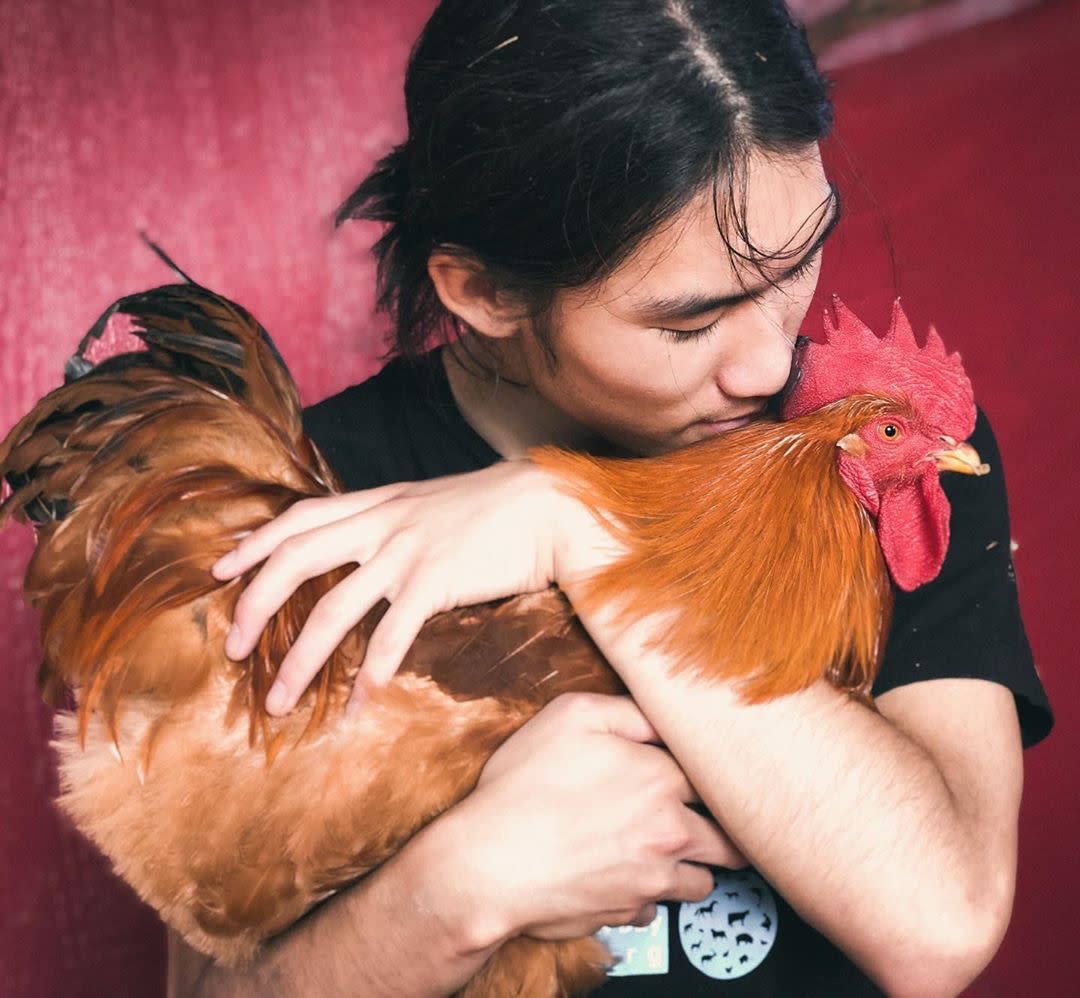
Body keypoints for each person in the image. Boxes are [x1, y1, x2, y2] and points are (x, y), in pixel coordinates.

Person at [168, 1, 1052, 995]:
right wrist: (461, 885)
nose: (767, 364)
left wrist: (577, 522)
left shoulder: (880, 445)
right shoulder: (307, 500)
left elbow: (939, 922)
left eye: (798, 260)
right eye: (688, 324)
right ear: (485, 293)